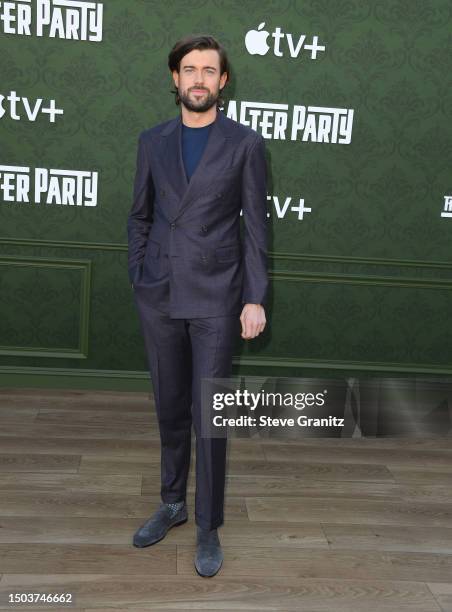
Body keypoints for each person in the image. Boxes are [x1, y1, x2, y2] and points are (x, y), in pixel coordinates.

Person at [127, 33, 268, 577]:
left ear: (223, 81)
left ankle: (208, 524)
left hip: (217, 295)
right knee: (169, 406)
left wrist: (254, 297)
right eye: (190, 70)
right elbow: (139, 214)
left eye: (209, 71)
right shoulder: (152, 141)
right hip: (159, 291)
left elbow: (255, 228)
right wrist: (139, 272)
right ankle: (172, 503)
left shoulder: (246, 145)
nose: (199, 79)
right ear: (175, 79)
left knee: (209, 414)